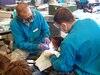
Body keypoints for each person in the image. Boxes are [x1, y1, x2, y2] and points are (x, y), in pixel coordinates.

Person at [45, 8, 100, 75]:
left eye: (59, 28)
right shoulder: (90, 21)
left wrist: (52, 56)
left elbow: (63, 66)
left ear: (63, 26)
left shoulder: (68, 41)